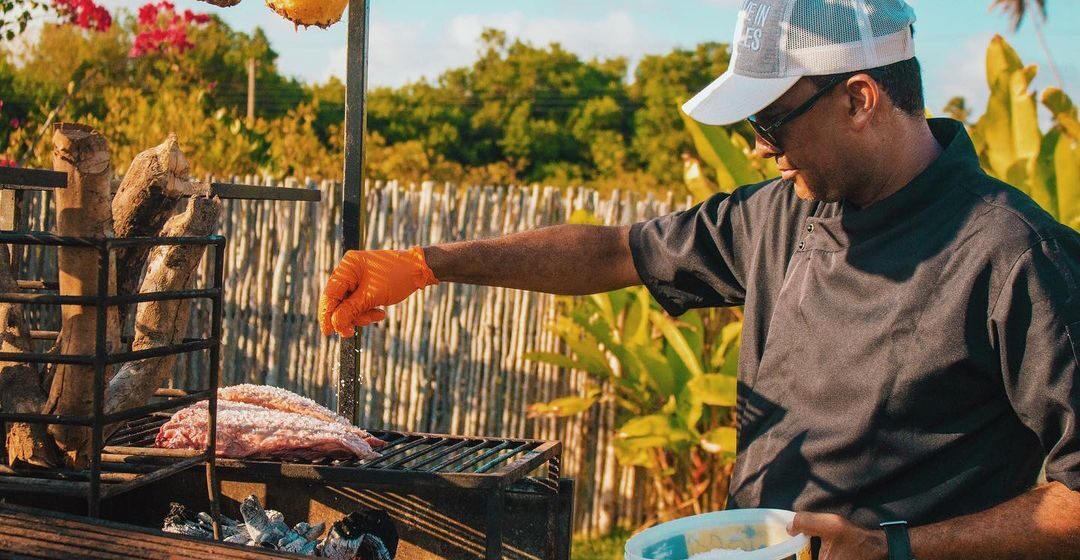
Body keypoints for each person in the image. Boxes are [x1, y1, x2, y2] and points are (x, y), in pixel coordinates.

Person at [319, 0, 1080, 557]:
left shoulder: (1017, 255)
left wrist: (896, 548)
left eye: (770, 122)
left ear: (859, 98)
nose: (758, 148)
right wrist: (430, 265)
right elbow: (614, 253)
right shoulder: (781, 214)